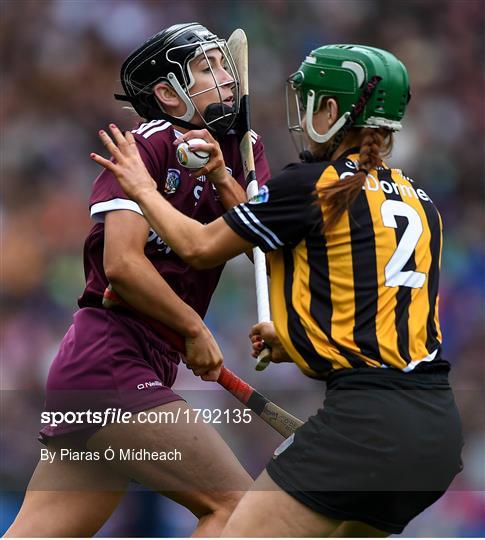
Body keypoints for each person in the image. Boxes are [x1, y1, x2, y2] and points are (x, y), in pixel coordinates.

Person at [91, 44, 464, 537]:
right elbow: (382, 316)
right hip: (435, 434)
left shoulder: (315, 184)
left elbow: (199, 246)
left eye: (311, 101)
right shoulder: (422, 203)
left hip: (364, 424)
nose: (303, 114)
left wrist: (140, 188)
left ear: (332, 111)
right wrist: (295, 341)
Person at [6, 23, 270, 537]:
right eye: (205, 69)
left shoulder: (243, 152)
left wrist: (221, 176)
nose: (224, 79)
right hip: (110, 357)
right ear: (169, 94)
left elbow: (255, 242)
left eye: (223, 66)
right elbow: (122, 268)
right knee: (235, 508)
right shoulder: (144, 147)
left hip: (130, 363)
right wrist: (193, 327)